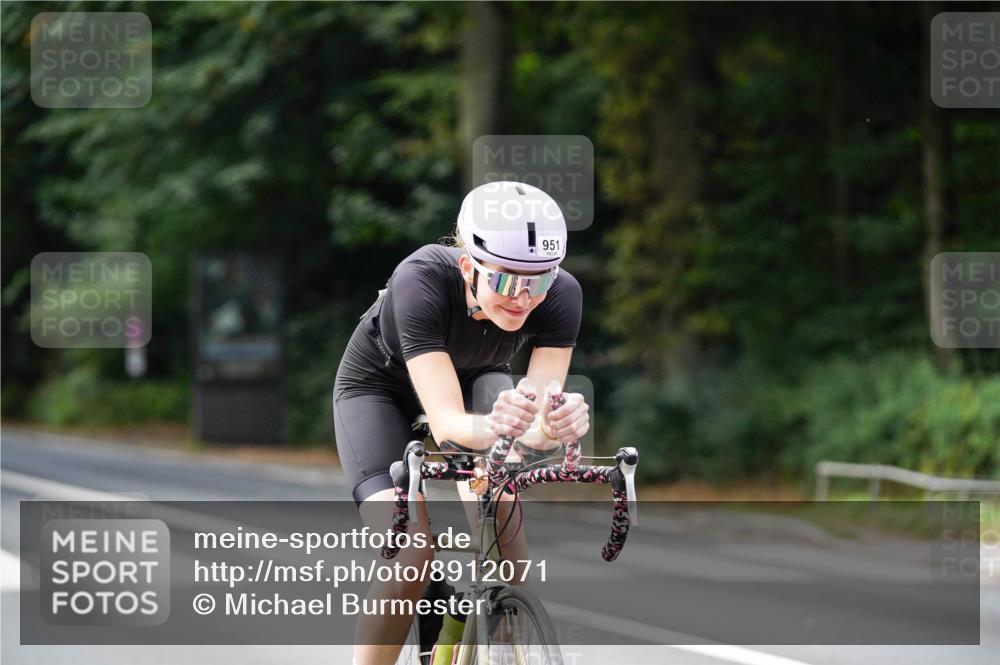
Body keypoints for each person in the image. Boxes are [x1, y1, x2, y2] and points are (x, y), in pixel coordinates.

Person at [333, 181, 591, 665]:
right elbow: (448, 423)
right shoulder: (421, 279)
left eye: (538, 281)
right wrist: (500, 427)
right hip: (380, 389)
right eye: (509, 281)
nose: (523, 299)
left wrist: (553, 427)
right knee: (411, 555)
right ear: (469, 267)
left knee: (508, 533)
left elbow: (530, 430)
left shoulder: (561, 296)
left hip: (480, 383)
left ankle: (488, 643)